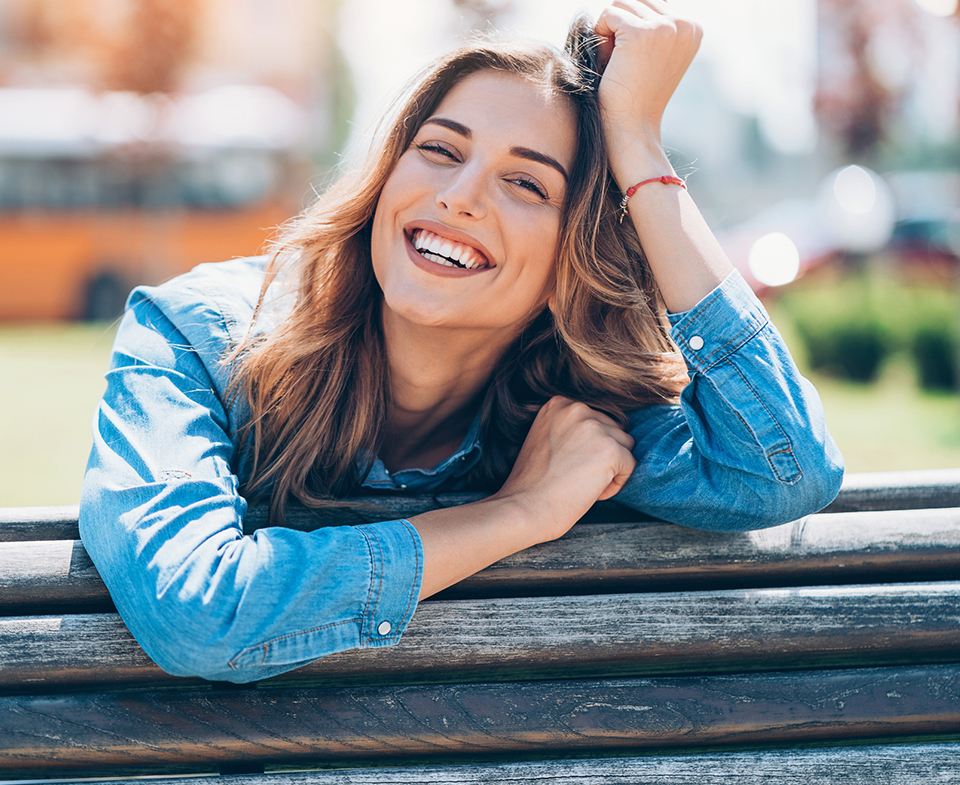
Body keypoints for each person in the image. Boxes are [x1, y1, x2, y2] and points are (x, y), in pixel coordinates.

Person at [79, 1, 843, 683]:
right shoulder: (198, 338)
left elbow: (783, 472)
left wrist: (638, 147)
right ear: (386, 176)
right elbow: (198, 613)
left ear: (570, 265)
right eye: (441, 150)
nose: (459, 194)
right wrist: (520, 512)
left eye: (527, 184)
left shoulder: (565, 414)